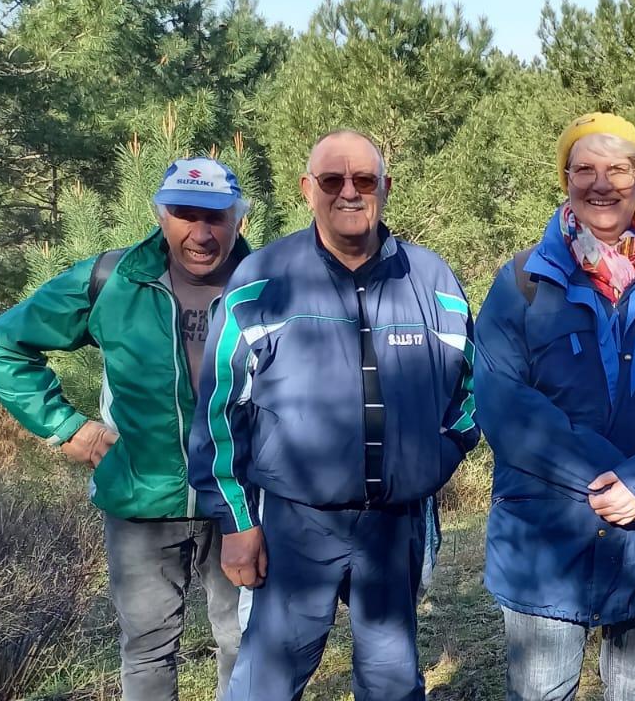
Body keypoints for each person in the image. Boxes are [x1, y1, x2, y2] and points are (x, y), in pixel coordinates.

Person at [188, 130, 478, 699]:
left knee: (392, 682)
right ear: (307, 189)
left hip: (394, 526)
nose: (349, 192)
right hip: (297, 523)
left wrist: (435, 459)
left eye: (364, 180)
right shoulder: (263, 282)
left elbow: (471, 392)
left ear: (385, 189)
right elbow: (219, 414)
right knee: (266, 682)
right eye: (332, 180)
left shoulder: (431, 279)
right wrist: (237, 523)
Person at [475, 112, 635, 701]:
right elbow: (499, 396)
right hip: (545, 537)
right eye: (583, 168)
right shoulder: (523, 281)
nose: (601, 183)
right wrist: (600, 475)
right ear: (564, 180)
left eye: (619, 169)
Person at [0, 157, 249, 700]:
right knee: (149, 650)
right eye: (184, 213)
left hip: (243, 499)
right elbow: (1, 343)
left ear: (239, 219)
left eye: (216, 217)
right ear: (161, 215)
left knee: (247, 642)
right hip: (140, 498)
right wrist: (65, 426)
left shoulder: (270, 282)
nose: (201, 232)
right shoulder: (112, 279)